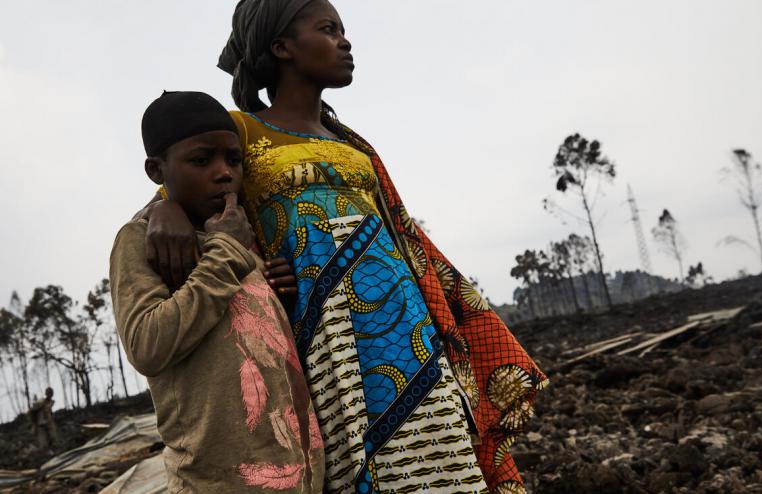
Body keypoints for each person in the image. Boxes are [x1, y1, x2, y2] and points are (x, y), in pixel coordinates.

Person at [144, 2, 549, 492]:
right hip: (324, 332)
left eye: (343, 30)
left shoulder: (351, 142)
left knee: (440, 454)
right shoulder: (244, 131)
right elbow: (192, 179)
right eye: (329, 29)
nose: (345, 41)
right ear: (282, 47)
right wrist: (162, 206)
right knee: (355, 463)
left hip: (407, 325)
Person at [111, 91, 324, 493]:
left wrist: (281, 298)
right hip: (217, 481)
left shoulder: (243, 243)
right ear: (156, 170)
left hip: (299, 478)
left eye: (233, 159)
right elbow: (147, 345)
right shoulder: (140, 239)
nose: (224, 172)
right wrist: (226, 252)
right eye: (201, 160)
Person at [28, 387, 59, 452]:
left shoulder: (50, 402)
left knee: (54, 439)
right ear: (46, 393)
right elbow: (33, 410)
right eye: (48, 393)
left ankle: (54, 451)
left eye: (51, 393)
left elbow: (49, 411)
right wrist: (34, 424)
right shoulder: (41, 401)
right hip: (41, 424)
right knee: (43, 444)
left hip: (48, 423)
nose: (49, 394)